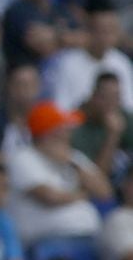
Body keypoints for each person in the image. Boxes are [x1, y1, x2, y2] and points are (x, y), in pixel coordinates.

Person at [6, 100, 111, 247]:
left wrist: (72, 164)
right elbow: (50, 197)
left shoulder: (73, 157)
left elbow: (104, 192)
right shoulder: (23, 158)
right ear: (49, 133)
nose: (69, 133)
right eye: (64, 128)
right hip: (44, 242)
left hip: (88, 237)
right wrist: (84, 195)